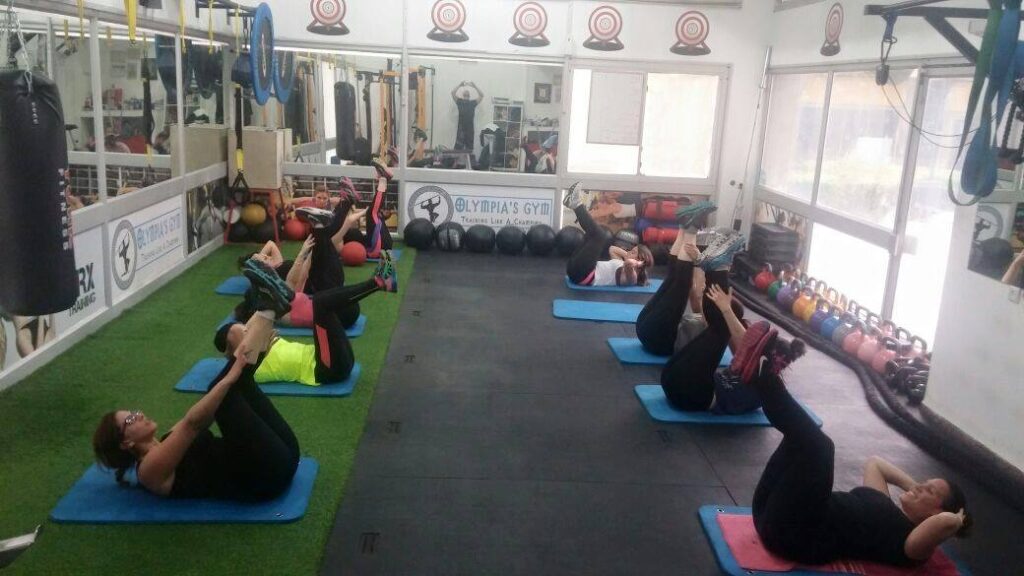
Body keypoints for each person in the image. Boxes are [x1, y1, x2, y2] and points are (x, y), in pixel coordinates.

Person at [744, 326, 972, 567]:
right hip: (767, 511)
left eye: (930, 491)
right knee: (798, 441)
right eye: (925, 483)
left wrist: (957, 520)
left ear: (936, 512)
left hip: (794, 535)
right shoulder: (884, 502)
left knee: (821, 447)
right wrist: (915, 487)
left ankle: (767, 376)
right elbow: (876, 464)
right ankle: (763, 370)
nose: (921, 486)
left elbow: (943, 523)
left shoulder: (911, 545)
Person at [91, 271, 305, 501]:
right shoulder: (148, 471)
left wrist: (240, 363)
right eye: (131, 419)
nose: (139, 414)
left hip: (285, 454)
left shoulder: (168, 439)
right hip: (267, 477)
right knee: (223, 390)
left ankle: (267, 311)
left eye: (134, 412)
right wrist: (233, 371)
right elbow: (193, 423)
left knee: (230, 387)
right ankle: (266, 311)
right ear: (126, 443)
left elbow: (203, 415)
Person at [217, 229, 398, 388]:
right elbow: (247, 341)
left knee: (323, 299)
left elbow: (257, 321)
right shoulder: (248, 364)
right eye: (242, 333)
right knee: (320, 302)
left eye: (244, 329)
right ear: (232, 350)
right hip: (326, 369)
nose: (247, 330)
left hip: (335, 358)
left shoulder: (263, 344)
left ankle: (380, 280)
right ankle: (379, 282)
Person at [635, 199, 738, 356]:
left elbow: (696, 299)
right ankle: (685, 227)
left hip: (659, 338)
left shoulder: (719, 328)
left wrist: (698, 271)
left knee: (678, 283)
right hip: (649, 330)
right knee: (674, 280)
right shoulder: (717, 327)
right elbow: (696, 301)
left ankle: (689, 228)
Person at [562, 183, 654, 287]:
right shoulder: (621, 263)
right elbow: (612, 249)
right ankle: (573, 203)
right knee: (591, 235)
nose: (629, 252)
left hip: (582, 275)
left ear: (639, 261)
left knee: (600, 236)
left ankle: (575, 204)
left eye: (632, 252)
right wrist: (627, 255)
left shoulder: (631, 277)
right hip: (575, 269)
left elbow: (629, 270)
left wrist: (635, 263)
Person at [451, 81, 483, 151]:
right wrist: (460, 85)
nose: (466, 92)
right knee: (457, 150)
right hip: (461, 129)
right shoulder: (460, 102)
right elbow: (452, 93)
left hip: (470, 130)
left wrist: (475, 86)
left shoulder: (472, 103)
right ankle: (455, 158)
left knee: (469, 150)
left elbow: (481, 95)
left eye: (467, 93)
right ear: (463, 95)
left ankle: (468, 158)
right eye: (465, 92)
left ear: (469, 95)